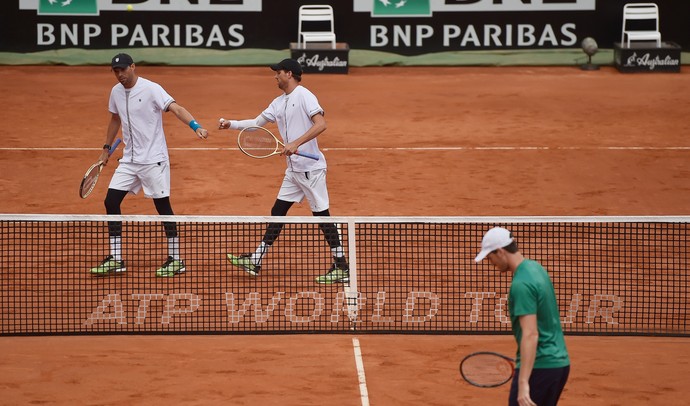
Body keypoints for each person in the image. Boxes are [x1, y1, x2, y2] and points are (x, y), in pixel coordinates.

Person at [218, 58, 348, 284]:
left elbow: (321, 124)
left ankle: (342, 265)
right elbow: (256, 123)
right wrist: (232, 123)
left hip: (311, 170)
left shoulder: (304, 95)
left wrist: (295, 143)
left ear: (289, 73)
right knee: (277, 211)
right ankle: (256, 259)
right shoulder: (278, 102)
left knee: (322, 216)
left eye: (277, 72)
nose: (275, 76)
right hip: (294, 170)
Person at [89, 53, 208, 277]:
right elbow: (115, 118)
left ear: (133, 67)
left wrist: (196, 126)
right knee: (111, 201)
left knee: (163, 207)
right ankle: (116, 258)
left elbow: (176, 108)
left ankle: (176, 259)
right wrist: (106, 148)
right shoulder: (115, 92)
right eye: (116, 71)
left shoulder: (152, 88)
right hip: (129, 160)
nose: (120, 74)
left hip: (153, 159)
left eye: (124, 69)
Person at [475, 227, 570, 406]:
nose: (491, 262)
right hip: (559, 364)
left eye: (490, 257)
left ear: (501, 252)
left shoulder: (521, 285)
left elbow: (530, 334)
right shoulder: (536, 268)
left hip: (540, 367)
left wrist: (524, 381)